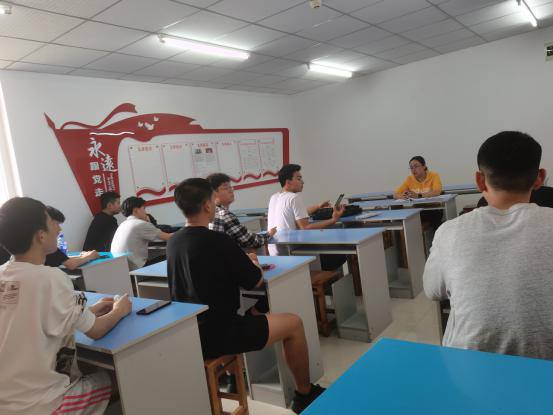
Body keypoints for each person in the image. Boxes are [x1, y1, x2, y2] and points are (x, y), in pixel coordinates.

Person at [167, 178, 325, 413]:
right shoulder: (218, 241)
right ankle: (304, 393)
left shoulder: (174, 242)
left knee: (237, 312)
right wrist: (254, 262)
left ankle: (232, 377)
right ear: (208, 205)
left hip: (189, 333)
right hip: (221, 334)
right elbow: (254, 280)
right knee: (294, 323)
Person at [424, 131, 553, 360]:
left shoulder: (448, 232)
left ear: (479, 180)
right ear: (539, 178)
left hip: (468, 370)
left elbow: (433, 291)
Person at [0, 197, 131, 415]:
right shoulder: (51, 278)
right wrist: (120, 310)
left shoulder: (4, 273)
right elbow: (96, 331)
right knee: (123, 376)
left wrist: (88, 311)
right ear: (40, 235)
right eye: (51, 222)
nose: (58, 228)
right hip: (40, 405)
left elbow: (31, 318)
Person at [267, 164, 345, 271]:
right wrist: (333, 220)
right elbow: (305, 227)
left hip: (276, 257)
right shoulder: (294, 197)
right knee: (342, 252)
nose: (303, 182)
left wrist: (318, 206)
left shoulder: (274, 197)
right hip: (293, 257)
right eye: (299, 179)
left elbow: (297, 214)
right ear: (288, 182)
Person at [206, 172, 276, 250]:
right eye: (226, 188)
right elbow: (251, 241)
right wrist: (269, 234)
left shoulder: (209, 212)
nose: (231, 190)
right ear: (213, 193)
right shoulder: (224, 215)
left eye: (230, 187)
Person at [111, 196, 172, 270]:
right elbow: (169, 237)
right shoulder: (140, 224)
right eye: (144, 209)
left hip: (122, 270)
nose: (146, 212)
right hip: (138, 269)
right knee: (172, 256)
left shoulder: (123, 224)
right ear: (136, 210)